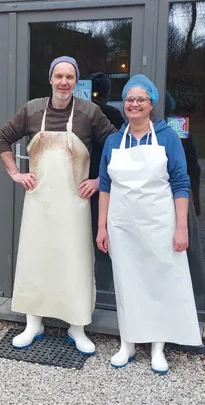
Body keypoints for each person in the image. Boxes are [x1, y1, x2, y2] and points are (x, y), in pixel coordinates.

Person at [0, 56, 117, 355]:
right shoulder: (32, 110)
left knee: (74, 261)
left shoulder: (90, 112)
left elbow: (115, 143)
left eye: (70, 77)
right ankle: (32, 323)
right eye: (58, 76)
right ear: (50, 79)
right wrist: (15, 173)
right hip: (39, 200)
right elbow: (2, 139)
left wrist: (101, 180)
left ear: (76, 82)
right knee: (35, 259)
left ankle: (77, 327)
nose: (64, 82)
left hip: (74, 203)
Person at [96, 74, 202, 374]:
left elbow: (181, 182)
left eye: (141, 99)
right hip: (123, 226)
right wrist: (102, 227)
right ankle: (127, 343)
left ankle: (157, 346)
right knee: (127, 283)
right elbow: (105, 185)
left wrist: (181, 227)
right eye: (130, 99)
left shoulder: (167, 136)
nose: (134, 104)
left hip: (159, 223)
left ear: (151, 103)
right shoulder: (114, 141)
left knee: (159, 282)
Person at [88, 72, 126, 291]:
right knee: (99, 236)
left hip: (102, 185)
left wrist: (99, 180)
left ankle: (100, 288)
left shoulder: (111, 116)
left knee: (99, 235)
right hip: (94, 184)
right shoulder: (113, 113)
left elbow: (123, 151)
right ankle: (102, 287)